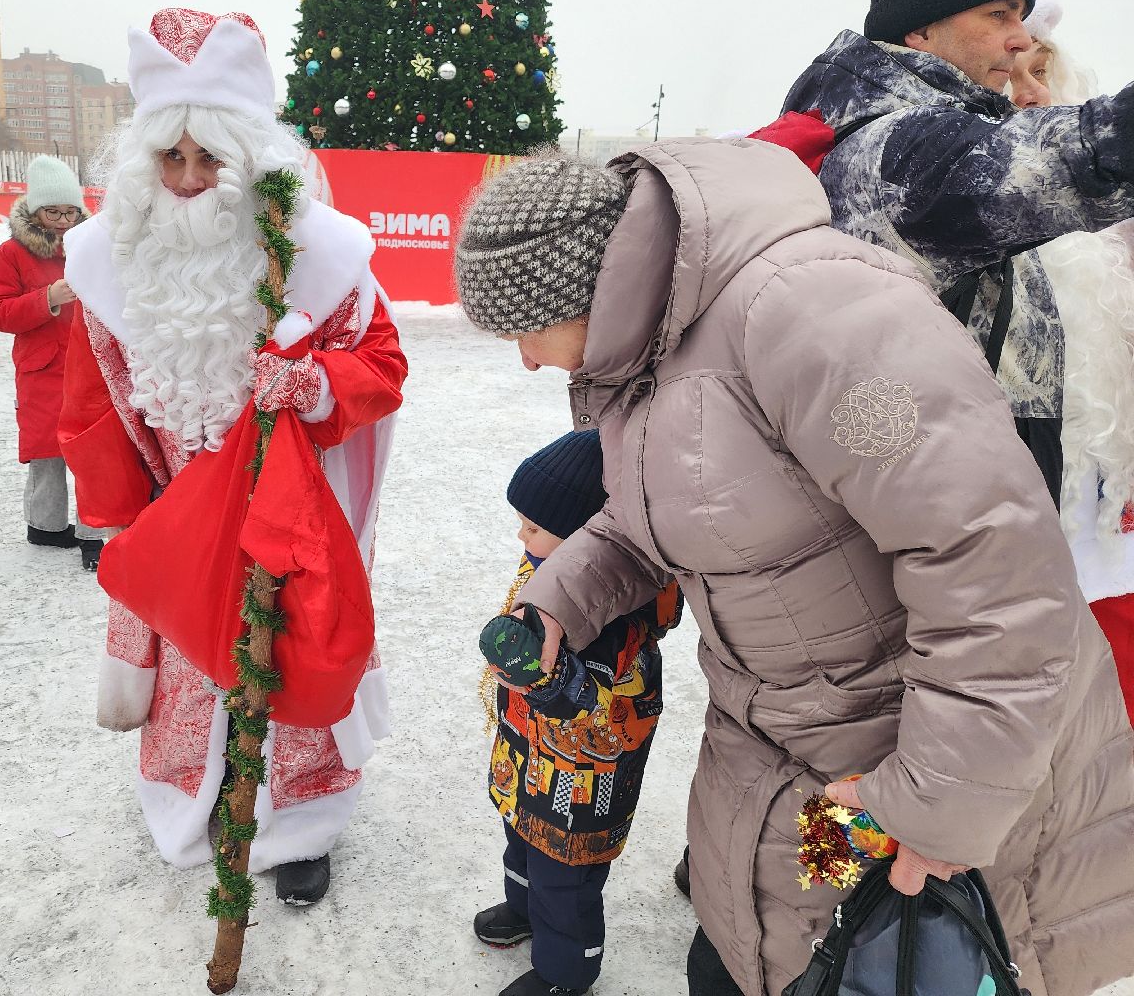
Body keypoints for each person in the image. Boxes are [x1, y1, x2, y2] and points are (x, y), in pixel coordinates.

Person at [453, 140, 1134, 996]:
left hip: (906, 780)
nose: (524, 360)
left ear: (588, 290)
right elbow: (649, 518)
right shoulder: (654, 353)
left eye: (523, 332)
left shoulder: (816, 317)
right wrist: (559, 602)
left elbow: (993, 561)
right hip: (785, 772)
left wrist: (939, 807)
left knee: (875, 964)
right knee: (752, 960)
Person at [57, 8, 407, 906]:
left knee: (288, 661)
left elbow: (382, 367)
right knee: (186, 664)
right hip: (176, 509)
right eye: (169, 159)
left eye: (208, 158)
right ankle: (198, 798)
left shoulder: (324, 258)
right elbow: (92, 406)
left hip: (289, 512)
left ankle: (300, 823)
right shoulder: (109, 260)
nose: (186, 180)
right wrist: (116, 515)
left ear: (252, 161)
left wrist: (314, 386)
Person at [780, 0, 1134, 504]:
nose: (1020, 39)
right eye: (998, 15)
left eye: (1020, 15)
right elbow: (1081, 156)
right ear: (920, 30)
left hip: (979, 479)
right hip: (948, 497)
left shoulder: (924, 131)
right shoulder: (905, 149)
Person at [475, 429, 679, 996]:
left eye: (534, 528)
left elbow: (592, 704)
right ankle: (522, 909)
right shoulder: (548, 577)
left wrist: (542, 677)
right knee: (519, 838)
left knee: (565, 878)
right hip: (529, 757)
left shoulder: (619, 619)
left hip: (582, 784)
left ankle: (566, 972)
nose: (521, 536)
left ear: (586, 540)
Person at [1008, 1, 1134, 725]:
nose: (1028, 94)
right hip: (980, 568)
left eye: (1041, 74)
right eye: (1011, 77)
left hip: (1101, 544)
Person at [0, 155, 101, 570]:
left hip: (90, 365)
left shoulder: (92, 245)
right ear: (34, 211)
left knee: (93, 452)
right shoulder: (10, 254)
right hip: (42, 369)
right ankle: (45, 527)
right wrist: (46, 298)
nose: (64, 221)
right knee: (47, 453)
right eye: (54, 212)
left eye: (71, 212)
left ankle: (94, 535)